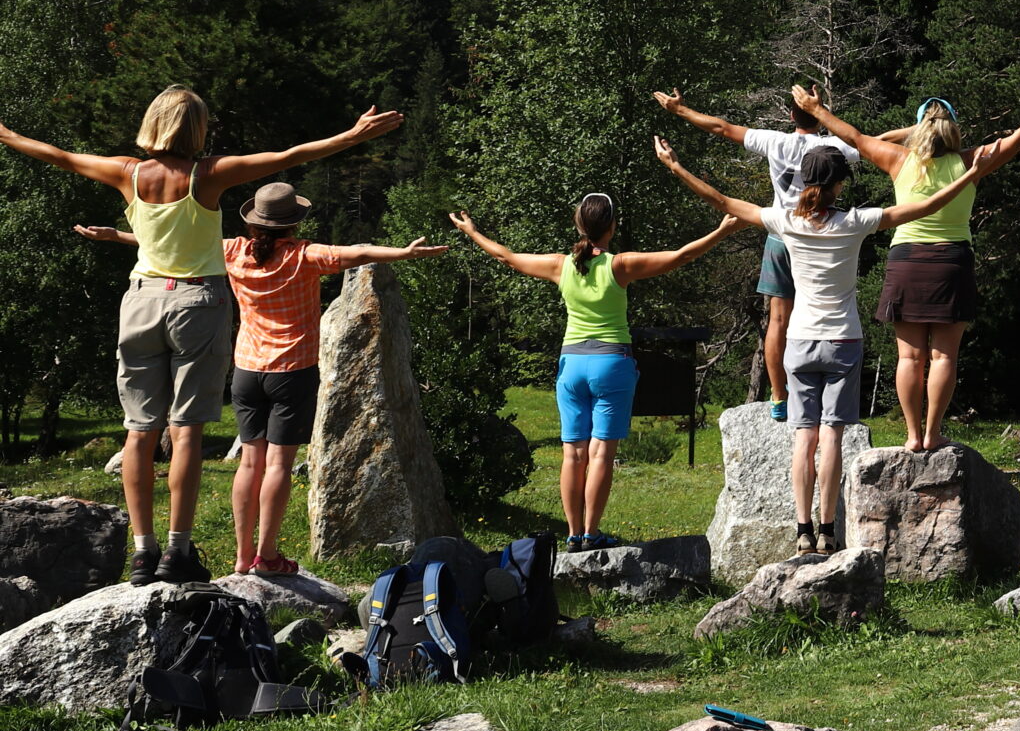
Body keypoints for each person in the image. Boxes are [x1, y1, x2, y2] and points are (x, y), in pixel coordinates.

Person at [0, 85, 405, 585]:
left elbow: (57, 155)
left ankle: (143, 554)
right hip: (197, 302)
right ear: (196, 130)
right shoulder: (207, 175)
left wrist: (7, 134)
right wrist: (353, 134)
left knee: (140, 430)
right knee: (186, 429)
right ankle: (177, 552)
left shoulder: (127, 172)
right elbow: (291, 155)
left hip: (141, 300)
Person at [77, 182, 448, 576]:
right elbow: (355, 253)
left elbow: (172, 244)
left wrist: (115, 235)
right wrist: (404, 253)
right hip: (292, 372)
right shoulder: (305, 255)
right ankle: (268, 557)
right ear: (294, 222)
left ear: (254, 222)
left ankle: (241, 556)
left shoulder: (234, 251)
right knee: (278, 466)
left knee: (249, 464)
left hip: (247, 372)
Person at [656, 134, 991, 552]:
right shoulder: (854, 222)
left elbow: (723, 202)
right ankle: (829, 530)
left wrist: (676, 167)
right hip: (843, 341)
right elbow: (923, 208)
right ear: (837, 186)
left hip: (799, 342)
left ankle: (802, 531)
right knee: (831, 436)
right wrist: (970, 175)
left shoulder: (786, 221)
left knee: (804, 437)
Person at [792, 79, 1020, 452]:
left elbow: (856, 137)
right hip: (952, 262)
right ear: (954, 129)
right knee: (944, 355)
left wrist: (817, 111)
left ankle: (912, 436)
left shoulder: (898, 159)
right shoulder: (969, 162)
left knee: (909, 357)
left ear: (917, 127)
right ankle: (933, 433)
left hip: (906, 261)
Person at [448, 192, 744, 551]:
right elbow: (681, 256)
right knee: (601, 452)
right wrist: (722, 230)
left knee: (573, 453)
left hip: (571, 365)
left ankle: (573, 535)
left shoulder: (560, 265)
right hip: (611, 364)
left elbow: (505, 256)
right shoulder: (620, 266)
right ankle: (591, 533)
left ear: (579, 225)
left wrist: (472, 231)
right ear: (612, 226)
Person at [651, 88, 857, 422]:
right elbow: (872, 142)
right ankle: (822, 391)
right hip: (822, 237)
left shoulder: (775, 141)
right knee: (827, 310)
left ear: (791, 115)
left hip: (780, 233)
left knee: (778, 319)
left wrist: (681, 111)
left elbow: (722, 128)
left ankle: (779, 395)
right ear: (818, 112)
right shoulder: (833, 147)